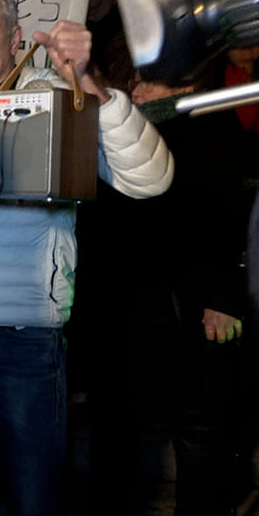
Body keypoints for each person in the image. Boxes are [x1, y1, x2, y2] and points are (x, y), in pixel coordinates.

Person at [0, 0, 173, 516]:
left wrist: (90, 82)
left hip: (26, 340)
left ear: (15, 36)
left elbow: (150, 179)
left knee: (32, 498)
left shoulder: (56, 100)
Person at [81, 69, 255, 516]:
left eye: (150, 82)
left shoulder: (212, 124)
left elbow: (232, 217)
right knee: (123, 426)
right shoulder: (130, 127)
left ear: (187, 82)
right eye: (136, 81)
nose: (136, 90)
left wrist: (224, 298)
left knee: (198, 432)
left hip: (191, 307)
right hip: (134, 305)